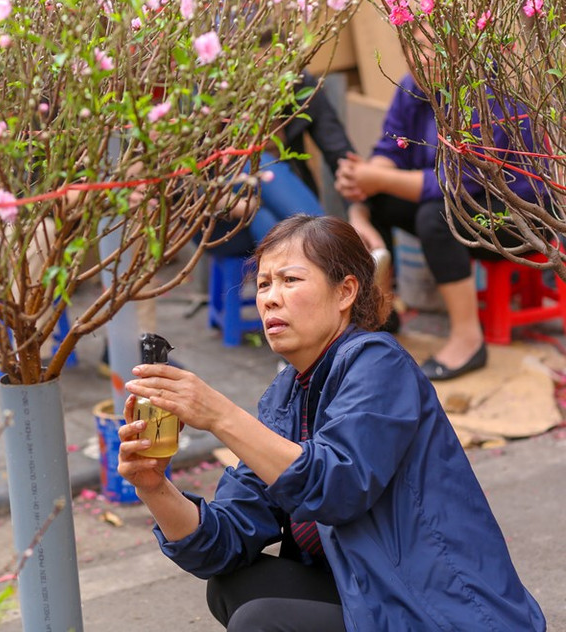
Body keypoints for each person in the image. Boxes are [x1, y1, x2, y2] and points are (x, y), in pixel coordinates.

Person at [118, 215, 545, 631]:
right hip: (366, 591)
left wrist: (221, 416)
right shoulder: (287, 393)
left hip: (432, 610)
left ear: (345, 293)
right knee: (232, 585)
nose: (269, 297)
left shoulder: (379, 364)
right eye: (264, 283)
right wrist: (154, 486)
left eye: (290, 280)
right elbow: (222, 542)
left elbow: (336, 488)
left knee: (261, 621)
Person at [334, 27, 546, 380]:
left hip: (519, 217)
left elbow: (457, 183)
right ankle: (381, 314)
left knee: (437, 216)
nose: (428, 57)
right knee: (386, 200)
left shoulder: (485, 95)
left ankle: (468, 339)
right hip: (463, 209)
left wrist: (376, 179)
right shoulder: (412, 89)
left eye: (437, 47)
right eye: (418, 47)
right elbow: (388, 152)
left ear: (459, 48)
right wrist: (362, 195)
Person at [202, 70, 356, 259]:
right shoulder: (209, 91)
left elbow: (340, 153)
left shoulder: (298, 84)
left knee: (266, 218)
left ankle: (327, 263)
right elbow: (182, 184)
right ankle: (339, 258)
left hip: (280, 214)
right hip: (222, 223)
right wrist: (233, 204)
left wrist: (358, 212)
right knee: (258, 164)